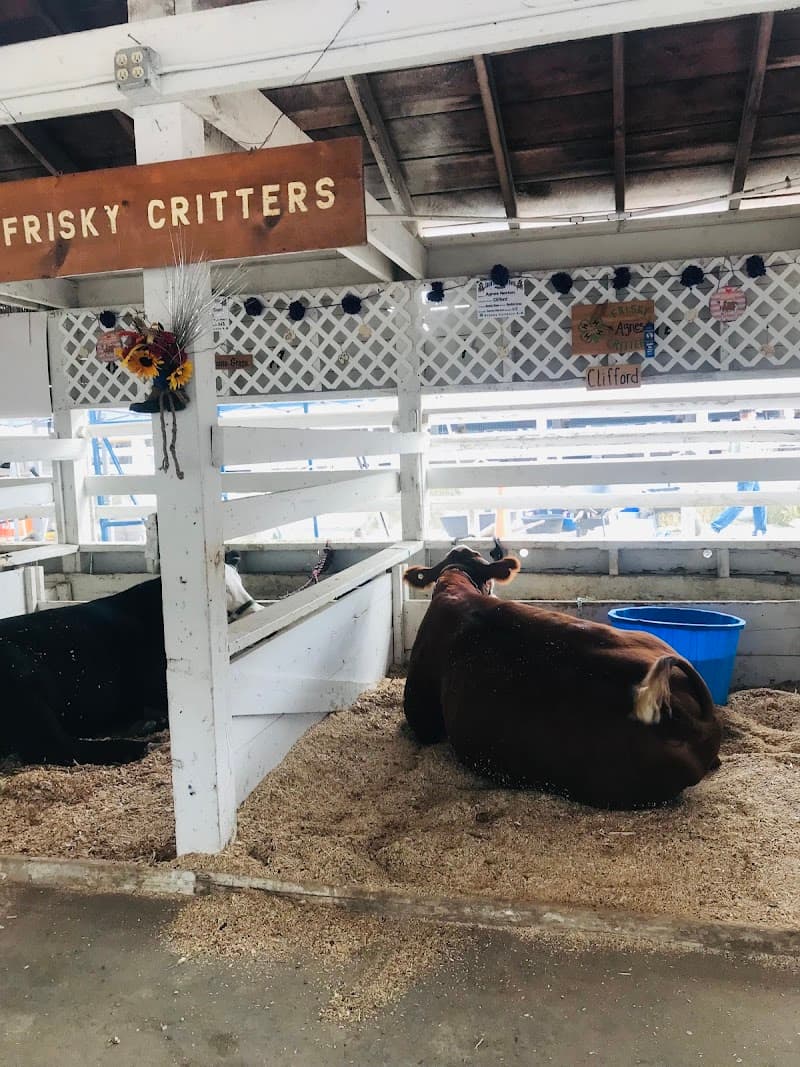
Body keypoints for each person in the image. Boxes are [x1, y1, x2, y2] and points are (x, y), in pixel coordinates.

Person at [710, 410, 767, 536]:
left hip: (749, 469)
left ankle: (760, 529)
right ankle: (716, 525)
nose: (756, 415)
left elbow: (732, 451)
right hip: (748, 469)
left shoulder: (737, 429)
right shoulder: (747, 430)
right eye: (754, 413)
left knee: (760, 499)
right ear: (749, 414)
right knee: (742, 502)